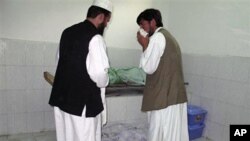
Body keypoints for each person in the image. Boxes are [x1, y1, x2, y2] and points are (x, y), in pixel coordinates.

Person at [48, 0, 112, 141]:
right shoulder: (96, 38)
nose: (106, 25)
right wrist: (106, 80)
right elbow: (100, 74)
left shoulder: (67, 32)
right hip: (82, 104)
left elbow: (58, 61)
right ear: (101, 17)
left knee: (66, 136)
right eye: (107, 21)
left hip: (63, 99)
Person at [136, 9, 189, 141]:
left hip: (163, 99)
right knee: (172, 134)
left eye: (143, 24)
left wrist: (144, 45)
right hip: (173, 97)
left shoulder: (158, 37)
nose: (142, 29)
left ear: (152, 22)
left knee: (159, 133)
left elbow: (149, 68)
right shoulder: (169, 37)